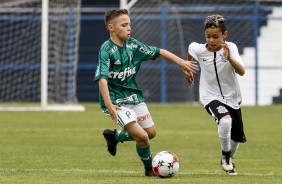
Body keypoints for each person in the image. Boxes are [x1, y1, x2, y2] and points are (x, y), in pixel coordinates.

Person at [94, 9, 198, 177]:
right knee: (142, 137)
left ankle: (115, 137)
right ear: (111, 27)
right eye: (124, 25)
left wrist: (181, 63)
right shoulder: (106, 50)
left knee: (150, 133)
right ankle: (150, 170)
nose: (129, 28)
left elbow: (159, 52)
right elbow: (102, 79)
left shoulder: (133, 45)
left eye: (129, 24)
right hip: (115, 101)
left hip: (134, 96)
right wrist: (108, 105)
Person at [187, 14, 247, 175]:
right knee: (225, 121)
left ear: (224, 35)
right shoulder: (199, 49)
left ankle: (226, 157)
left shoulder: (231, 48)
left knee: (237, 138)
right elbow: (190, 49)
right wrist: (188, 69)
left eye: (216, 37)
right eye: (208, 36)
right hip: (210, 96)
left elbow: (241, 71)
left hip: (232, 98)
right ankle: (227, 158)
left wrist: (230, 59)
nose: (211, 40)